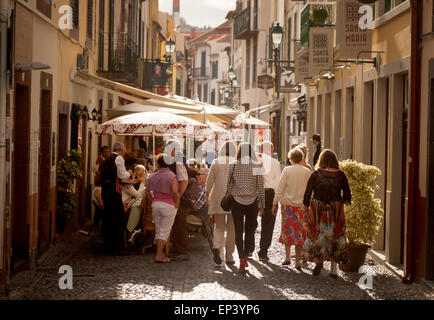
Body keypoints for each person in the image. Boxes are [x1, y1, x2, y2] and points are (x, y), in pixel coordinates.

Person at [303, 149, 351, 278]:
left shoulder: (316, 174)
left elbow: (307, 193)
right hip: (336, 208)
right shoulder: (341, 175)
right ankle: (334, 270)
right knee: (336, 235)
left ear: (321, 160)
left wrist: (306, 207)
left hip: (318, 208)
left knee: (318, 233)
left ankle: (319, 260)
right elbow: (347, 195)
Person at [226, 142, 265, 273]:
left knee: (238, 231)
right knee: (249, 231)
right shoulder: (256, 165)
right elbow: (260, 186)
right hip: (252, 202)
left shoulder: (233, 164)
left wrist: (229, 196)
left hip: (237, 202)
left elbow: (229, 184)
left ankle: (241, 259)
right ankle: (246, 256)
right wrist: (262, 205)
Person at [272, 148, 311, 269]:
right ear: (302, 158)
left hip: (288, 206)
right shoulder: (307, 172)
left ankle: (288, 257)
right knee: (300, 234)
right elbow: (311, 191)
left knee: (287, 231)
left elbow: (280, 188)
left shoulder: (287, 170)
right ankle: (298, 261)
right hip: (302, 207)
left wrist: (274, 203)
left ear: (291, 159)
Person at [206, 141, 237, 267]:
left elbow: (209, 182)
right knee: (232, 229)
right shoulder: (236, 162)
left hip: (218, 199)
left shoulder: (216, 162)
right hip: (233, 199)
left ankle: (217, 248)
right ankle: (229, 256)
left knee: (219, 226)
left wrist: (207, 195)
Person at [146, 154, 180, 263]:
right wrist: (177, 203)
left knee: (158, 230)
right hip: (168, 205)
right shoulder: (172, 176)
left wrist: (152, 200)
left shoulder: (152, 176)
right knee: (164, 232)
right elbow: (175, 192)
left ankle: (161, 255)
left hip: (156, 203)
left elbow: (147, 191)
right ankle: (159, 255)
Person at [100, 142, 133, 255]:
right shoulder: (118, 158)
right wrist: (129, 173)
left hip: (106, 191)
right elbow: (122, 175)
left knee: (109, 218)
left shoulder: (107, 159)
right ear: (122, 150)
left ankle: (108, 246)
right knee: (118, 218)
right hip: (113, 192)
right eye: (124, 152)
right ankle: (117, 247)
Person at [165, 139, 191, 261]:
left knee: (179, 224)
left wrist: (179, 196)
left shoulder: (178, 160)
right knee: (175, 224)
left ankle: (182, 251)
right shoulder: (176, 160)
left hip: (181, 198)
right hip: (178, 197)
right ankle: (177, 249)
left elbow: (184, 180)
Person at [256, 141, 282, 262]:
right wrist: (276, 202)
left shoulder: (257, 161)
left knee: (252, 222)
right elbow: (278, 183)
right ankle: (263, 252)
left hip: (257, 193)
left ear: (261, 150)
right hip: (271, 194)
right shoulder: (276, 163)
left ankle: (249, 249)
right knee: (268, 224)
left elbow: (254, 179)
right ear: (271, 150)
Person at [190, 167, 215, 257]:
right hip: (199, 214)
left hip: (200, 215)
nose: (197, 176)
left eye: (199, 174)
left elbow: (196, 207)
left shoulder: (204, 188)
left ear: (206, 176)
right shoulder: (201, 187)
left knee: (177, 216)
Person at [123, 165, 147, 242]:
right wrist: (142, 183)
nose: (145, 173)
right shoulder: (132, 184)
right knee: (136, 210)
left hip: (128, 204)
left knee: (138, 209)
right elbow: (137, 195)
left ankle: (131, 236)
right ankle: (129, 238)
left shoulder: (135, 182)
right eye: (144, 172)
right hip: (124, 205)